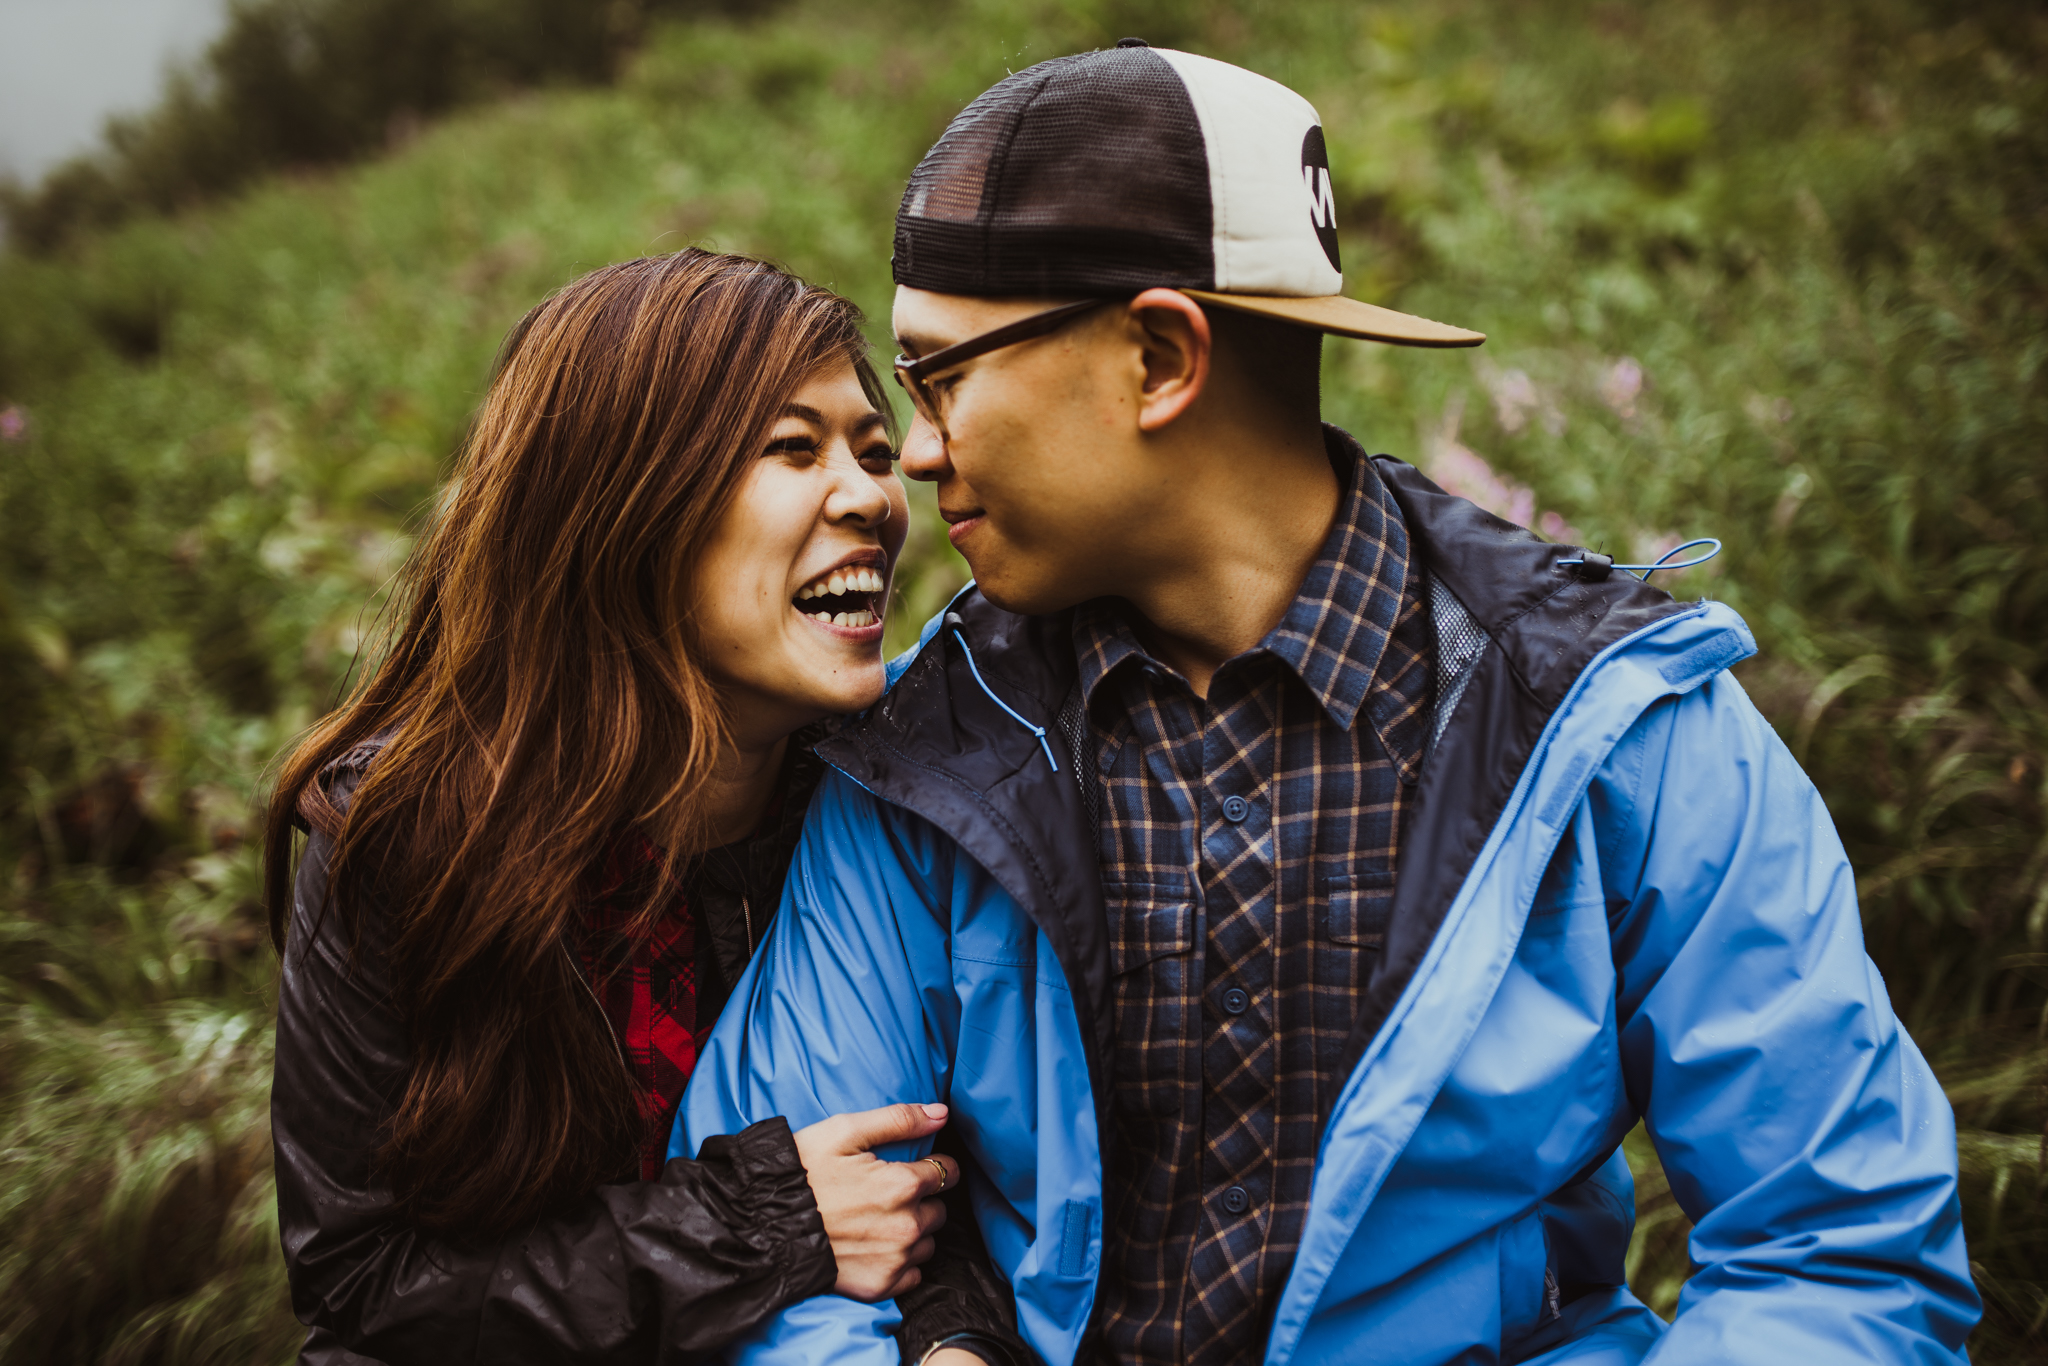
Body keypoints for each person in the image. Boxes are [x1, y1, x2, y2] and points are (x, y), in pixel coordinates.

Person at [677, 43, 1981, 1366]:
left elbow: (1839, 1256)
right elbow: (780, 1252)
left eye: (944, 374)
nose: (920, 449)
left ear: (1159, 355)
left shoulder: (1618, 724)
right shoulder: (927, 754)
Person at [263, 249, 1033, 1366]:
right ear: (624, 500)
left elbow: (921, 1182)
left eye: (873, 452)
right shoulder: (413, 832)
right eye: (791, 448)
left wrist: (959, 1340)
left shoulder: (894, 806)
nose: (871, 494)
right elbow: (364, 1276)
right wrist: (749, 1224)